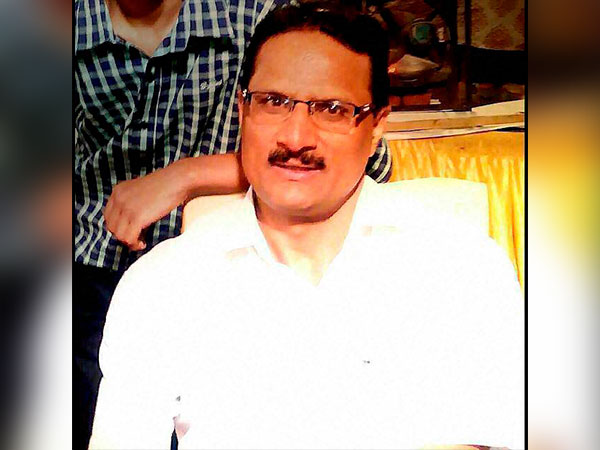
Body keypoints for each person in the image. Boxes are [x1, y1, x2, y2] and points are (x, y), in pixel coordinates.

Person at [90, 2, 524, 449]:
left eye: (333, 109)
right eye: (273, 102)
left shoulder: (459, 265)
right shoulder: (164, 283)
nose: (296, 138)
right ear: (243, 110)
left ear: (377, 125)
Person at [74, 0, 391, 448]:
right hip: (93, 256)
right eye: (274, 102)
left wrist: (185, 177)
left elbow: (360, 158)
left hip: (239, 256)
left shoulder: (248, 14)